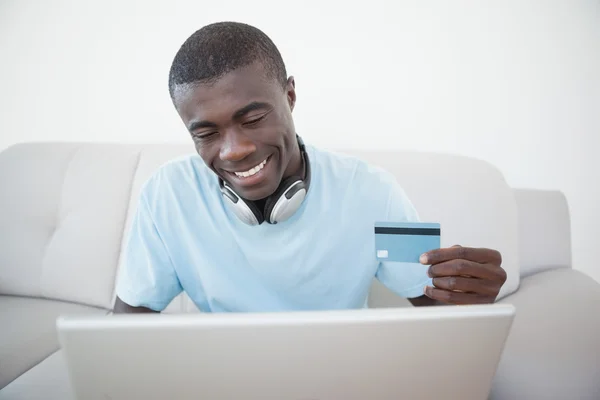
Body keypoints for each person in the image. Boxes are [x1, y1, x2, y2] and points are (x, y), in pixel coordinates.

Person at [113, 21, 507, 314]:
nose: (233, 151)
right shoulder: (166, 195)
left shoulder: (374, 192)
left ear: (289, 95)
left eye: (252, 119)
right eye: (207, 133)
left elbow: (433, 301)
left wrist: (471, 297)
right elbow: (126, 330)